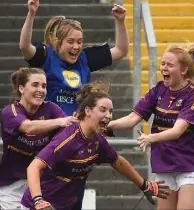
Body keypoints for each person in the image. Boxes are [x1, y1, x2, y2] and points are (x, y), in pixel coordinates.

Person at [22, 82, 170, 210]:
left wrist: (144, 185)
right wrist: (38, 200)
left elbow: (118, 162)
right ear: (88, 111)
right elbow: (34, 166)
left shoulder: (97, 140)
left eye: (111, 111)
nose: (109, 115)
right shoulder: (68, 138)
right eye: (103, 110)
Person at [107, 42, 194, 210]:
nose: (164, 68)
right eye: (163, 63)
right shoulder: (158, 90)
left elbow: (177, 131)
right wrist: (104, 124)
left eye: (170, 65)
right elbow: (133, 118)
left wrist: (150, 138)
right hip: (165, 163)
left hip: (191, 165)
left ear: (183, 70)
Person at [19, 0, 129, 115]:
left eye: (79, 42)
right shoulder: (46, 55)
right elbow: (24, 47)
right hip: (49, 125)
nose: (76, 47)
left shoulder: (85, 58)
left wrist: (120, 21)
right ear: (57, 42)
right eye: (70, 41)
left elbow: (121, 50)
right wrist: (31, 13)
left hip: (76, 127)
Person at [0, 68, 76, 210]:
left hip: (42, 184)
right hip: (12, 186)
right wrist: (60, 121)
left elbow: (71, 130)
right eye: (35, 85)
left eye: (44, 86)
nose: (41, 90)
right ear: (21, 88)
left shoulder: (51, 109)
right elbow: (28, 127)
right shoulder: (10, 111)